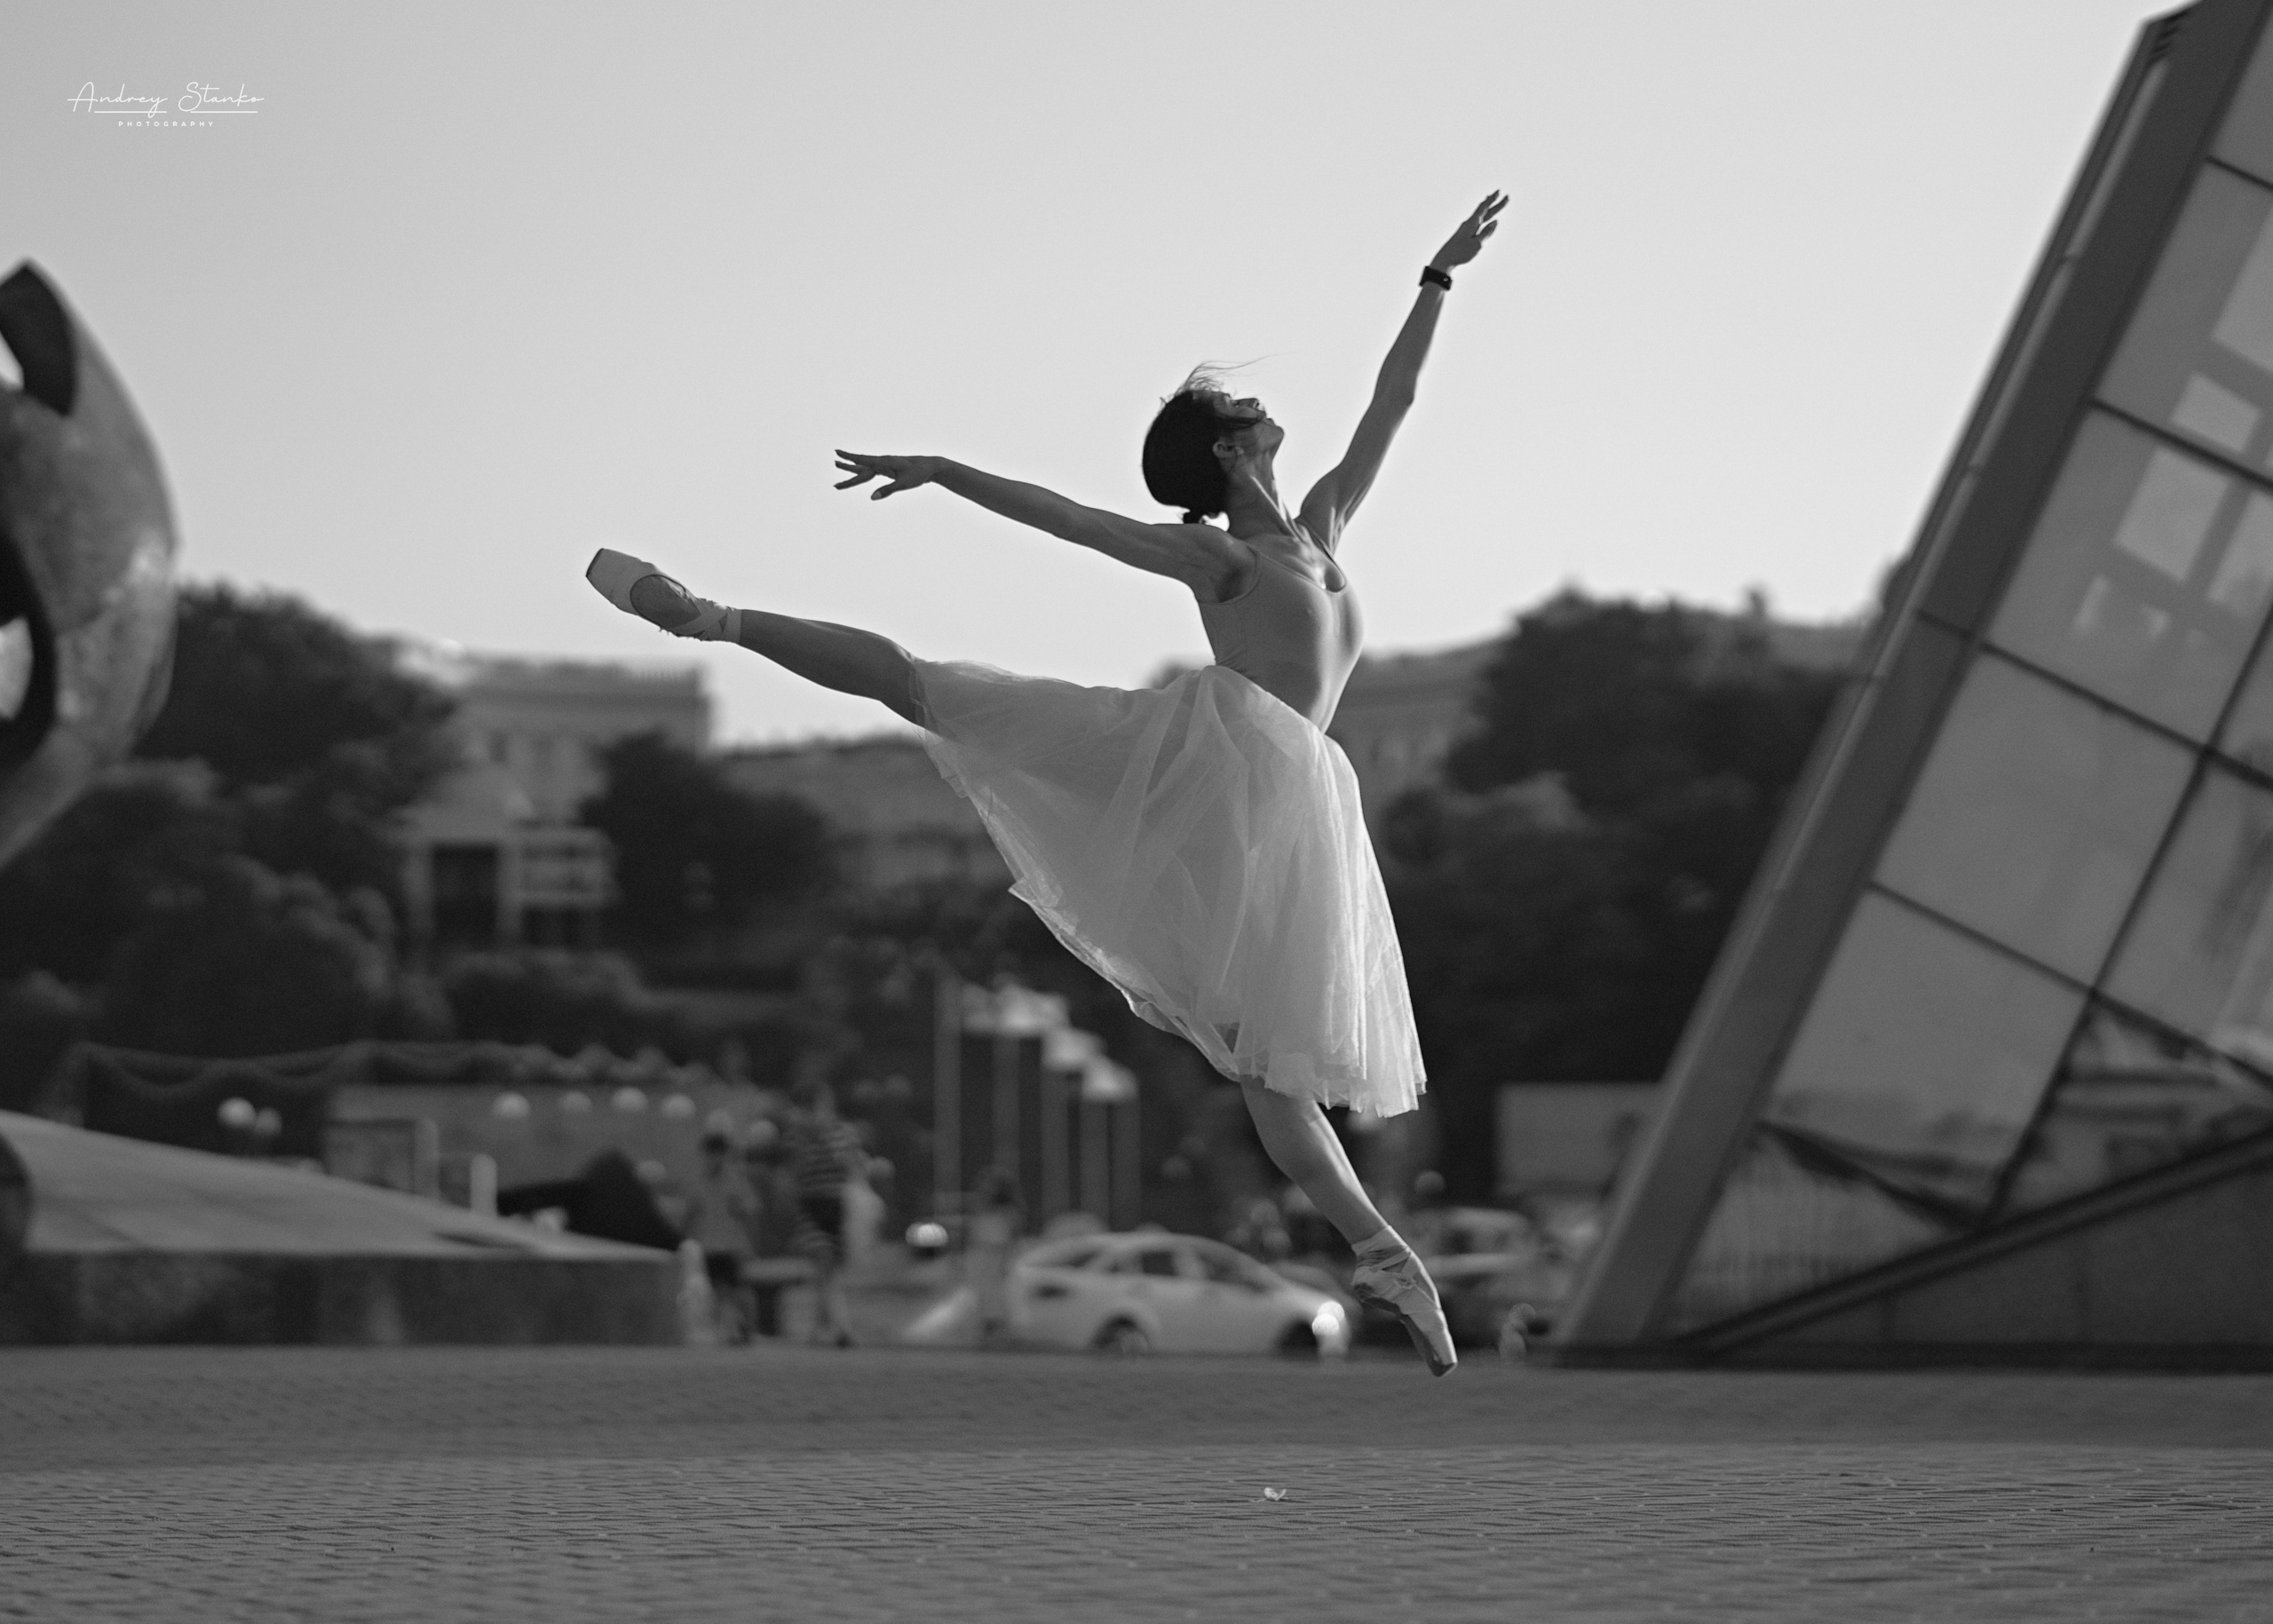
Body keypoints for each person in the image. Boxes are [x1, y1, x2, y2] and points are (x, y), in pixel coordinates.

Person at [586, 194, 1506, 1374]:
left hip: (1284, 805)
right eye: (1249, 412)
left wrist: (1435, 279)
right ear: (1231, 451)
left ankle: (1383, 1253)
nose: (1273, 413)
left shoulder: (1321, 526)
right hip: (1205, 762)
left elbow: (1397, 403)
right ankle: (711, 616)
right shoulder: (1212, 554)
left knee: (1270, 1061)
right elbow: (1068, 519)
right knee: (933, 688)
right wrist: (944, 469)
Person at [780, 1077, 864, 1347]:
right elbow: (796, 1171)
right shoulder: (797, 1135)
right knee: (824, 1265)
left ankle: (822, 1329)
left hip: (835, 1204)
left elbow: (850, 1166)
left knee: (827, 1271)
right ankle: (841, 1328)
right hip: (811, 1205)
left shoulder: (841, 1132)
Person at [681, 1128, 761, 1343]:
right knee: (719, 1290)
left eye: (717, 1153)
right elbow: (690, 1214)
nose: (713, 1159)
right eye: (710, 1153)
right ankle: (728, 1330)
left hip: (733, 1245)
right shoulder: (699, 1182)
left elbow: (750, 1211)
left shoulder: (735, 1181)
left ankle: (741, 1328)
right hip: (709, 1245)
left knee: (736, 1290)